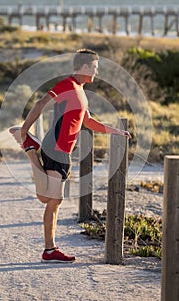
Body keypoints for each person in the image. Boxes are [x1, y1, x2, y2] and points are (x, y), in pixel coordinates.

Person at [10, 48, 131, 263]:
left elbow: (89, 122)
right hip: (55, 148)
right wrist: (24, 130)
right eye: (94, 68)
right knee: (52, 199)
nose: (96, 72)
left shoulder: (81, 91)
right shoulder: (67, 85)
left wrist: (117, 131)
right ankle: (50, 250)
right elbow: (40, 104)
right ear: (84, 67)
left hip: (62, 151)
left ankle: (30, 149)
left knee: (48, 197)